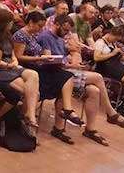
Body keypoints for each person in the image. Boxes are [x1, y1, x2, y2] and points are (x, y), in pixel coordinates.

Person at [37, 15, 124, 145]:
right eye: (65, 30)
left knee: (94, 91)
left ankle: (89, 129)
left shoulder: (60, 39)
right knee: (98, 77)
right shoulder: (46, 37)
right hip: (53, 73)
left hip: (64, 70)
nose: (66, 33)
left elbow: (64, 60)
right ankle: (110, 112)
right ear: (58, 24)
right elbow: (48, 60)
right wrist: (69, 63)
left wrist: (73, 62)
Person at [13, 11, 82, 144]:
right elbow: (18, 56)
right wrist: (40, 58)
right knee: (66, 77)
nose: (41, 29)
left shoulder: (33, 35)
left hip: (39, 66)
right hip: (30, 68)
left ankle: (64, 114)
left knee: (65, 79)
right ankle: (66, 110)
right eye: (39, 25)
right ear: (31, 23)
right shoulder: (21, 35)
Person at [0, 9, 40, 131]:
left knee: (33, 75)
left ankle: (28, 116)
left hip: (11, 66)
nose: (12, 25)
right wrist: (8, 65)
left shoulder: (7, 36)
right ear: (3, 23)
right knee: (32, 94)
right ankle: (5, 122)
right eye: (10, 23)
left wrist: (15, 62)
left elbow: (12, 54)